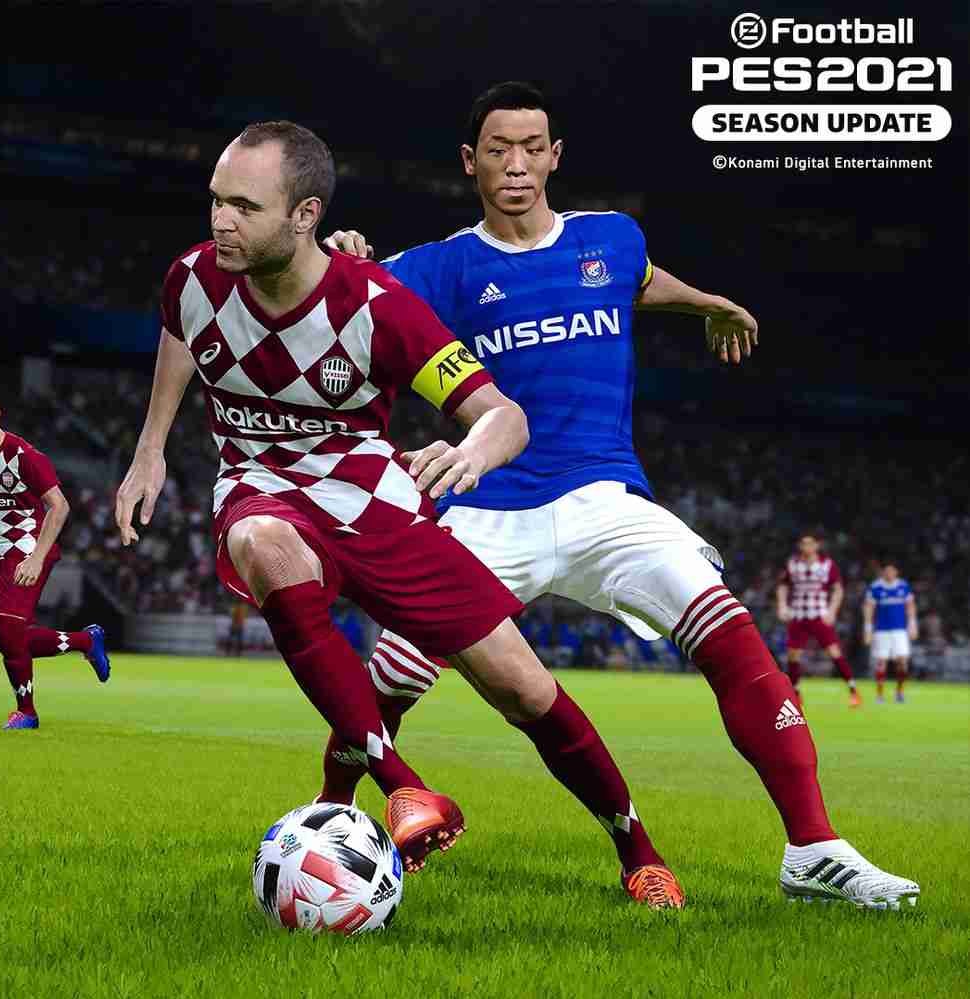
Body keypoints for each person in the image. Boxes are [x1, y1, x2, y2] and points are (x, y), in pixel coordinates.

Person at [317, 82, 915, 908]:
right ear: (469, 162)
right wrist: (340, 253)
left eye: (532, 148)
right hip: (486, 507)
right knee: (390, 680)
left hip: (606, 500)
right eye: (498, 149)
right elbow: (336, 298)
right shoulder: (437, 266)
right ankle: (329, 822)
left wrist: (705, 303)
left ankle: (813, 849)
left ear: (555, 156)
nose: (516, 164)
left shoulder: (611, 238)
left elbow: (638, 282)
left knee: (731, 634)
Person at [114, 119, 680, 906]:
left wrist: (474, 453)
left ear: (305, 216)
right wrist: (149, 449)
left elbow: (503, 414)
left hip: (375, 502)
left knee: (523, 689)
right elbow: (181, 334)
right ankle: (403, 787)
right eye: (216, 200)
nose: (221, 222)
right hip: (260, 484)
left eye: (244, 207)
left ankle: (637, 851)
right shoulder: (193, 276)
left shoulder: (377, 306)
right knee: (262, 540)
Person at [0, 382, 110, 729]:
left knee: (9, 628)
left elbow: (59, 506)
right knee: (6, 637)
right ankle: (85, 640)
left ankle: (27, 712)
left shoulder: (24, 456)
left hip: (27, 546)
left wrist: (37, 557)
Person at [778, 533, 858, 707]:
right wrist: (782, 606)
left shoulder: (826, 564)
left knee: (834, 652)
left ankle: (853, 690)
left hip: (819, 614)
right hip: (798, 615)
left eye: (810, 543)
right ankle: (796, 693)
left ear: (817, 545)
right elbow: (783, 586)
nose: (806, 547)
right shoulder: (793, 564)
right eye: (803, 543)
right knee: (793, 654)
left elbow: (838, 589)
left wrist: (832, 611)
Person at [862, 562, 918, 703]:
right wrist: (867, 629)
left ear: (896, 572)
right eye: (886, 571)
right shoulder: (875, 587)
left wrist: (913, 625)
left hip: (900, 630)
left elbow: (910, 606)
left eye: (892, 571)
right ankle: (879, 695)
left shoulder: (903, 586)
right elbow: (869, 608)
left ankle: (899, 692)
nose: (889, 573)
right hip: (881, 630)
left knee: (903, 662)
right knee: (881, 662)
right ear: (883, 572)